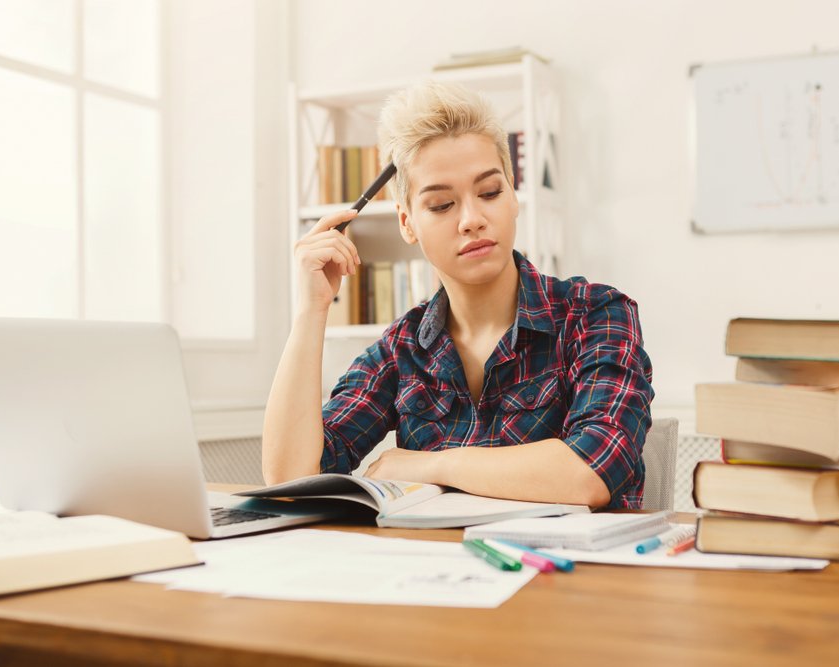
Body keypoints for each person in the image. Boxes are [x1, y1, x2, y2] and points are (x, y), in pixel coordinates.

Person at [262, 80, 653, 509]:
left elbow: (590, 473)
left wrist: (432, 466)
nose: (471, 219)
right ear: (407, 223)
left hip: (571, 572)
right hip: (439, 571)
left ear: (513, 195)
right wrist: (310, 312)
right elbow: (291, 479)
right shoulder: (402, 349)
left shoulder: (596, 315)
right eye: (441, 205)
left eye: (489, 192)